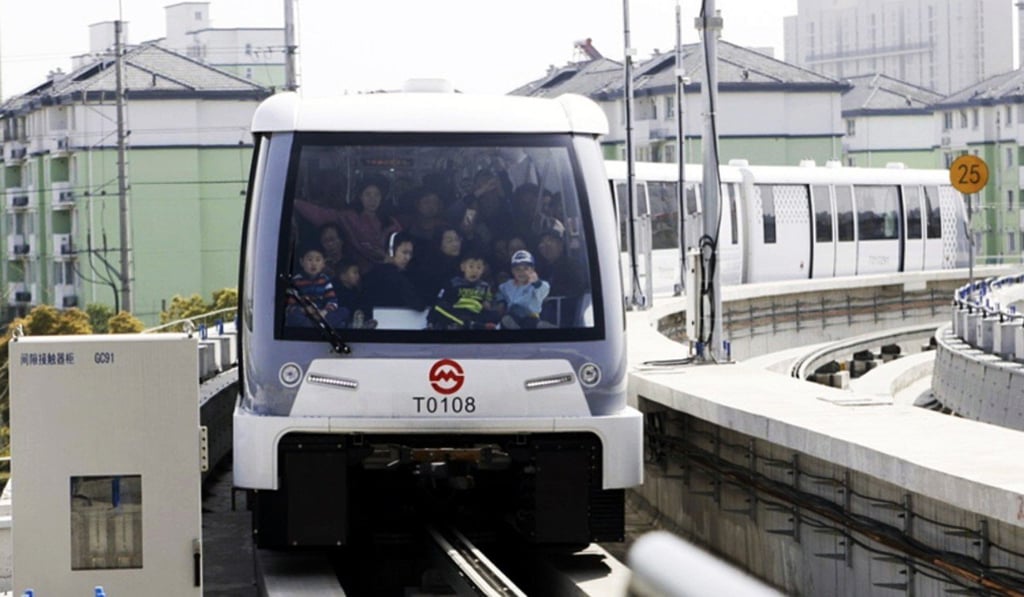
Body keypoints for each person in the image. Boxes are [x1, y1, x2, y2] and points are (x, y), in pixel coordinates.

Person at [338, 178, 402, 273]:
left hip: (386, 271)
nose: (373, 199)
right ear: (360, 197)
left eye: (377, 195)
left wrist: (386, 256)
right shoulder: (349, 217)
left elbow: (402, 244)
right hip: (357, 270)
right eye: (368, 194)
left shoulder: (391, 222)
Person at [428, 252, 501, 330]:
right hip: (457, 312)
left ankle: (472, 325)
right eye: (471, 266)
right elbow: (442, 301)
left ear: (483, 270)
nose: (475, 271)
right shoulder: (454, 283)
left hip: (476, 314)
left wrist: (487, 303)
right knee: (439, 308)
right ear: (463, 267)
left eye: (478, 267)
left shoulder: (485, 286)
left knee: (495, 315)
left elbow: (489, 301)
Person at [285, 245, 350, 329]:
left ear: (323, 264)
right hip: (305, 314)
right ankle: (315, 326)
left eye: (318, 260)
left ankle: (318, 326)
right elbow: (290, 305)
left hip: (322, 315)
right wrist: (304, 310)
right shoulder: (296, 281)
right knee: (293, 316)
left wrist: (324, 311)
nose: (313, 263)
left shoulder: (325, 280)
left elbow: (332, 301)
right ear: (301, 262)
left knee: (344, 311)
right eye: (310, 260)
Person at [362, 232, 428, 311]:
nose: (408, 257)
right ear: (391, 251)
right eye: (404, 252)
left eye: (410, 254)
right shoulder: (395, 277)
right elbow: (419, 305)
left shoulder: (370, 274)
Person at [535, 229, 586, 326]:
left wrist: (549, 293)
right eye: (543, 244)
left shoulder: (572, 266)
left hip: (564, 316)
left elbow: (579, 287)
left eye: (550, 242)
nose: (546, 246)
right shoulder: (540, 269)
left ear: (560, 246)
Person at [495, 250, 553, 329]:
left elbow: (544, 290)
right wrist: (501, 301)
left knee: (535, 324)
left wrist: (537, 283)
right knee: (506, 319)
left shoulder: (535, 285)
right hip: (513, 315)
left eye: (526, 268)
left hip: (530, 316)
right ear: (512, 271)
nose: (521, 272)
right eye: (517, 269)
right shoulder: (507, 285)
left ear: (532, 270)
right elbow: (500, 292)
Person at [334, 260, 376, 329]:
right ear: (343, 276)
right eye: (355, 273)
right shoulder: (334, 291)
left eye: (358, 273)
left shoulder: (355, 291)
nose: (358, 276)